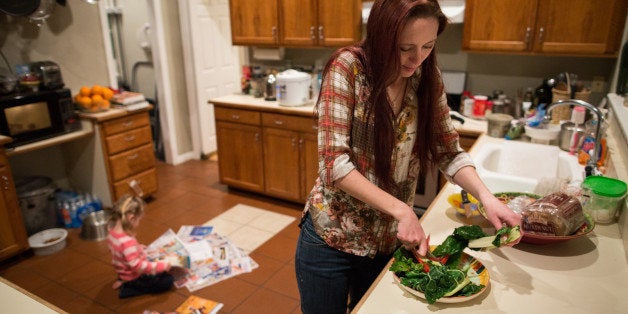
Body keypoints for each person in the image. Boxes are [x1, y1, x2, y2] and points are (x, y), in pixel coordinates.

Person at [294, 0, 522, 313]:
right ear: (380, 37)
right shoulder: (348, 68)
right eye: (404, 48)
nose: (417, 59)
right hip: (332, 238)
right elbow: (335, 164)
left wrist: (487, 197)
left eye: (428, 46)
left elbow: (447, 150)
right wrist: (403, 211)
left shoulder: (426, 76)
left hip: (388, 243)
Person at [107, 195, 182, 298]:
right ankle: (129, 289)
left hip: (122, 269)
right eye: (138, 220)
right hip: (135, 276)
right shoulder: (128, 242)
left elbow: (120, 252)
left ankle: (122, 279)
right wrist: (161, 266)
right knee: (167, 281)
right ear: (131, 218)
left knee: (152, 268)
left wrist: (137, 248)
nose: (138, 223)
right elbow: (137, 266)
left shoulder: (112, 231)